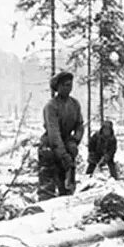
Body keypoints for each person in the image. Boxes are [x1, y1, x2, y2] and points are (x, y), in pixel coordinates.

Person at [37, 71, 84, 200]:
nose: (68, 88)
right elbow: (54, 133)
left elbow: (80, 125)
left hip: (67, 146)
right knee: (47, 189)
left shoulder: (75, 104)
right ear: (57, 87)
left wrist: (75, 141)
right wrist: (63, 155)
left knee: (67, 188)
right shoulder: (51, 106)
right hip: (50, 148)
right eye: (64, 85)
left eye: (70, 85)